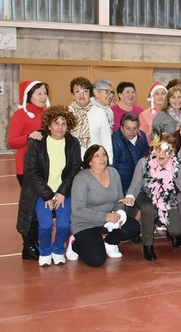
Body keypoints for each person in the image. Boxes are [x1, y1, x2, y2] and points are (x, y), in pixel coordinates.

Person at [18, 106, 82, 266]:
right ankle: (45, 251)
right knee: (46, 225)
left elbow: (74, 170)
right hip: (41, 192)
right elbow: (31, 171)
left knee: (64, 224)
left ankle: (58, 250)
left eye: (64, 123)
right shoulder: (37, 142)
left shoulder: (73, 143)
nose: (60, 127)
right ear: (49, 125)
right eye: (56, 123)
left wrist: (62, 192)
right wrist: (47, 194)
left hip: (62, 191)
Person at [123, 134, 181, 258]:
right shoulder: (143, 163)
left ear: (172, 154)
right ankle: (148, 245)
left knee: (177, 230)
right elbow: (135, 186)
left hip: (166, 196)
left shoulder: (175, 167)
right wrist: (130, 196)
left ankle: (171, 233)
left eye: (167, 150)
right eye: (159, 148)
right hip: (145, 194)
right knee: (148, 208)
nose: (162, 153)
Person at [68, 145, 141, 266]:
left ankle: (110, 242)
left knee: (133, 227)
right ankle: (74, 244)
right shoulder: (81, 179)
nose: (102, 158)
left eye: (104, 155)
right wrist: (106, 217)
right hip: (85, 223)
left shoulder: (113, 173)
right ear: (89, 161)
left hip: (107, 222)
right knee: (97, 260)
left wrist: (119, 214)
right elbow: (78, 209)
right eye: (97, 156)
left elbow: (119, 199)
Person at [9, 80, 49, 259]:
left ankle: (38, 242)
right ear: (29, 96)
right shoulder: (20, 115)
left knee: (41, 207)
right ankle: (29, 245)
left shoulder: (48, 114)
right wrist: (28, 136)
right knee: (30, 208)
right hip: (26, 169)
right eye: (39, 93)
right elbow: (12, 141)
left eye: (45, 93)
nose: (43, 96)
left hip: (45, 168)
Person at [69, 76, 113, 161]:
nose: (82, 95)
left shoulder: (99, 112)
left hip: (94, 160)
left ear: (90, 94)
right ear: (73, 95)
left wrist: (109, 160)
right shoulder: (67, 113)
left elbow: (106, 138)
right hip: (72, 159)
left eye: (85, 91)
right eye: (78, 91)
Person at [111, 112, 150, 192]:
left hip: (140, 183)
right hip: (122, 185)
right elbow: (113, 166)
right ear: (122, 127)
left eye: (135, 128)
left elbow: (147, 158)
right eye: (128, 128)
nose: (131, 131)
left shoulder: (142, 136)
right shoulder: (114, 139)